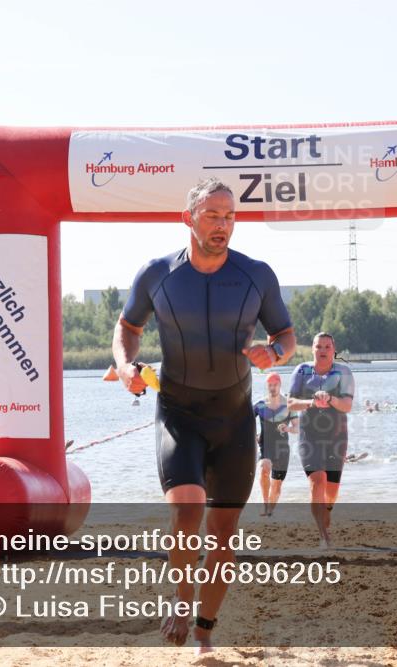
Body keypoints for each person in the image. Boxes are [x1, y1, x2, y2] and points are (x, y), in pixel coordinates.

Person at [112, 177, 296, 653]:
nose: (223, 225)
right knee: (187, 506)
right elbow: (127, 327)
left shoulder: (257, 274)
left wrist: (273, 352)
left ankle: (204, 633)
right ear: (188, 218)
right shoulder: (159, 274)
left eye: (230, 216)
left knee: (221, 536)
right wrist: (124, 364)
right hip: (179, 411)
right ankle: (180, 597)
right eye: (213, 215)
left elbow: (287, 334)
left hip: (234, 419)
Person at [287, 332, 354, 548]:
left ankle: (326, 513)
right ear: (312, 349)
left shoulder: (343, 372)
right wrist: (312, 402)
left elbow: (347, 406)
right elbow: (290, 403)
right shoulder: (302, 371)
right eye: (318, 346)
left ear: (333, 350)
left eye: (327, 347)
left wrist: (331, 398)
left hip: (337, 436)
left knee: (331, 491)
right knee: (317, 480)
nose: (323, 350)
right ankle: (323, 536)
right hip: (309, 435)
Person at [254, 372, 298, 517]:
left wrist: (288, 428)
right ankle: (265, 506)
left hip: (282, 449)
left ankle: (271, 509)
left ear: (280, 385)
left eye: (275, 385)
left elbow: (297, 428)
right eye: (270, 385)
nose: (272, 388)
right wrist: (252, 435)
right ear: (267, 386)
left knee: (277, 486)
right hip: (265, 446)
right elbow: (245, 422)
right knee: (263, 468)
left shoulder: (288, 405)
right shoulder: (260, 405)